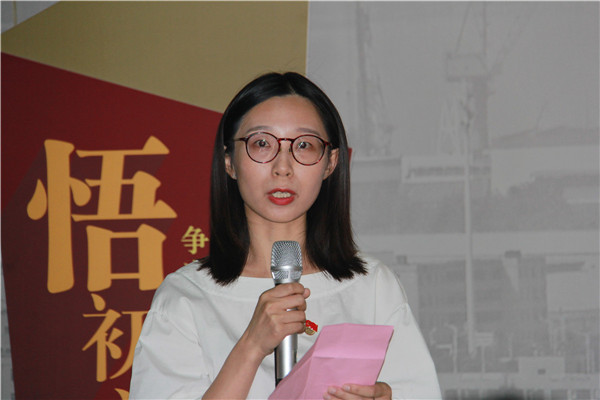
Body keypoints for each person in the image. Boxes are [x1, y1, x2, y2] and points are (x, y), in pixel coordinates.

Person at [129, 72, 441, 400]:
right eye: (262, 143)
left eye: (303, 145)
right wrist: (251, 346)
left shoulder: (373, 287)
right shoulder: (185, 298)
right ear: (229, 161)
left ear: (330, 163)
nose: (283, 167)